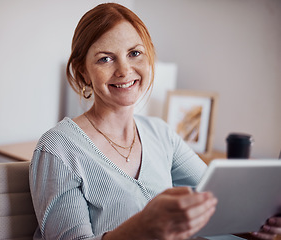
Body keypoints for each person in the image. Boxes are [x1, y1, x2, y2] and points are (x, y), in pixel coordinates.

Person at [29, 3, 281, 240]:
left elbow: (218, 205)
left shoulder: (161, 134)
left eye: (135, 53)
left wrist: (255, 225)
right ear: (83, 71)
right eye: (105, 58)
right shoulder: (58, 149)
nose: (125, 70)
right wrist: (141, 227)